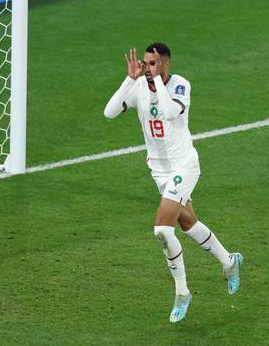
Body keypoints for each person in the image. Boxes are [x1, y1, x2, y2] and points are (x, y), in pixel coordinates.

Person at [103, 42, 243, 323]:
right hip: (159, 171)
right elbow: (109, 112)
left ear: (166, 63)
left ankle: (182, 292)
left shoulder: (179, 85)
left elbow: (169, 112)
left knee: (161, 230)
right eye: (145, 63)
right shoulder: (139, 83)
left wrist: (155, 82)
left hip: (184, 165)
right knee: (187, 222)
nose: (147, 68)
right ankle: (230, 262)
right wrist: (130, 79)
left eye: (152, 63)